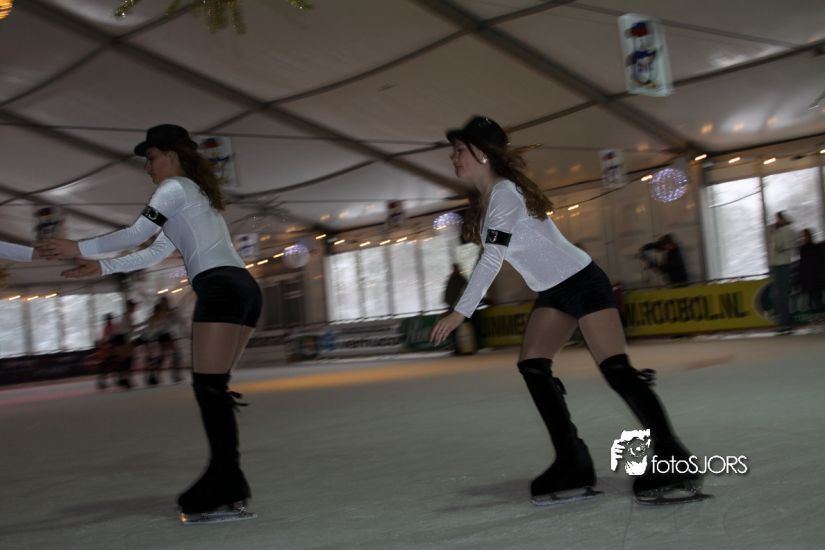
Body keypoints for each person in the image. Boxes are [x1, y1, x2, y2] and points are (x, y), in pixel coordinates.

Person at [430, 115, 702, 504]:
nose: (453, 157)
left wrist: (461, 311)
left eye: (460, 150)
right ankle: (572, 460)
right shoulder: (491, 198)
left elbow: (492, 258)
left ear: (482, 154)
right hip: (553, 292)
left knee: (616, 370)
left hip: (583, 283)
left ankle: (673, 458)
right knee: (532, 366)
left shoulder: (504, 194)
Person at [37, 124, 262, 523]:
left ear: (172, 155)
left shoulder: (174, 187)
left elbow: (136, 232)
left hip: (222, 288)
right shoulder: (194, 195)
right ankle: (228, 481)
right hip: (244, 289)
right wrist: (102, 267)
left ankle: (225, 484)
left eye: (152, 157)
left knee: (209, 389)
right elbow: (153, 251)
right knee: (214, 389)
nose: (147, 166)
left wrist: (77, 247)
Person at [767, 211, 796, 333]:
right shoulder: (779, 231)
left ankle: (785, 322)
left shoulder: (786, 231)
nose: (777, 221)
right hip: (777, 263)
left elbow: (779, 246)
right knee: (778, 295)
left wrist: (775, 233)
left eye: (779, 219)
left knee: (782, 294)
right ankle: (783, 322)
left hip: (782, 264)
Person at [798, 228, 825, 312]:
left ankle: (816, 310)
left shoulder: (804, 249)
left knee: (813, 297)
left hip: (812, 277)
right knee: (816, 297)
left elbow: (803, 264)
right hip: (815, 276)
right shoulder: (815, 248)